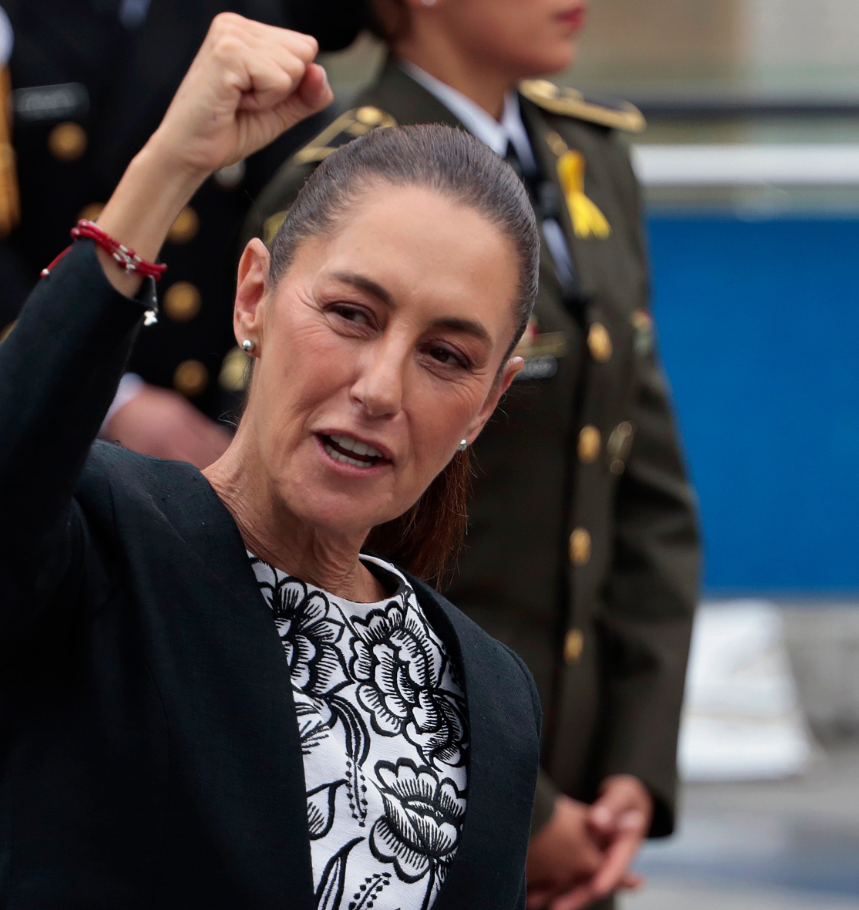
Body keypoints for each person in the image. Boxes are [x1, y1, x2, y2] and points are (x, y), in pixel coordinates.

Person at [0, 14, 544, 909]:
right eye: (350, 315)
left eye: (446, 356)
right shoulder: (96, 549)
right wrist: (171, 163)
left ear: (488, 402)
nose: (380, 387)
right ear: (252, 297)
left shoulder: (490, 694)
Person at [247, 3, 701, 908]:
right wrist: (523, 811)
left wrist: (631, 773)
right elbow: (311, 538)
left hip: (577, 788)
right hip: (414, 785)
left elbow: (645, 492)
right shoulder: (346, 171)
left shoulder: (591, 156)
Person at [0, 0, 353, 466]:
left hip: (220, 420)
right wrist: (112, 399)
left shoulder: (253, 10)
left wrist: (245, 415)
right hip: (57, 416)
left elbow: (298, 218)